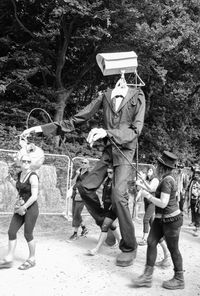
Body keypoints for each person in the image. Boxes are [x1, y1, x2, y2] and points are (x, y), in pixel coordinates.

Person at [22, 85, 145, 267]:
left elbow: (136, 130)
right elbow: (75, 120)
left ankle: (129, 246)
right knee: (84, 187)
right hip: (109, 150)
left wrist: (107, 132)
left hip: (126, 150)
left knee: (119, 196)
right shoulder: (105, 96)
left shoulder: (138, 95)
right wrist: (40, 129)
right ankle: (106, 221)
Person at [133, 151, 184, 290]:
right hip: (160, 219)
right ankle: (147, 277)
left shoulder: (168, 180)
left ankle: (179, 278)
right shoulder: (165, 178)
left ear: (163, 166)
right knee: (151, 242)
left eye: (158, 164)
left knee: (174, 249)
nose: (156, 166)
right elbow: (153, 189)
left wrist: (147, 196)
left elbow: (162, 203)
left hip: (171, 220)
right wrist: (143, 184)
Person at [0, 154, 39, 270]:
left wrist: (24, 207)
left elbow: (34, 196)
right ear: (21, 163)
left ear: (31, 163)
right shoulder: (20, 174)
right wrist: (11, 180)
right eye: (24, 161)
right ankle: (9, 258)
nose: (26, 163)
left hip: (31, 208)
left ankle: (32, 258)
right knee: (11, 231)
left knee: (28, 234)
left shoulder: (33, 176)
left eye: (28, 161)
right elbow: (20, 188)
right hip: (20, 207)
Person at [136, 165, 171, 268]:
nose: (149, 172)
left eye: (150, 170)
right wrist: (140, 181)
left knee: (146, 219)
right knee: (154, 229)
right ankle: (166, 254)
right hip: (148, 203)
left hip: (152, 203)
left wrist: (141, 182)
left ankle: (144, 238)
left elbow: (150, 188)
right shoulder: (147, 179)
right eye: (148, 170)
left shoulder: (155, 180)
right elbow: (140, 189)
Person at [88, 166, 121, 255]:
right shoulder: (108, 181)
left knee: (105, 226)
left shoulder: (117, 182)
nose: (109, 174)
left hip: (113, 208)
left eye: (111, 172)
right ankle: (121, 243)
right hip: (106, 206)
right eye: (108, 172)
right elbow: (104, 193)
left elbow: (117, 197)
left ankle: (96, 249)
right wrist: (103, 202)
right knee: (112, 226)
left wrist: (111, 206)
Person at [68, 158, 90, 242]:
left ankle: (75, 233)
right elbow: (73, 182)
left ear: (88, 165)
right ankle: (84, 228)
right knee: (74, 213)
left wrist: (81, 191)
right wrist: (77, 174)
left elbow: (88, 186)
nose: (83, 164)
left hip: (82, 196)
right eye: (82, 162)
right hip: (74, 195)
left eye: (85, 163)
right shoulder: (77, 171)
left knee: (77, 213)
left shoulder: (89, 174)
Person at [187, 166, 200, 236]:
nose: (196, 176)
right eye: (195, 174)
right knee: (193, 212)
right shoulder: (192, 181)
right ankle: (194, 223)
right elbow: (189, 189)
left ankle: (197, 229)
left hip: (198, 201)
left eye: (197, 175)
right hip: (192, 199)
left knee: (197, 214)